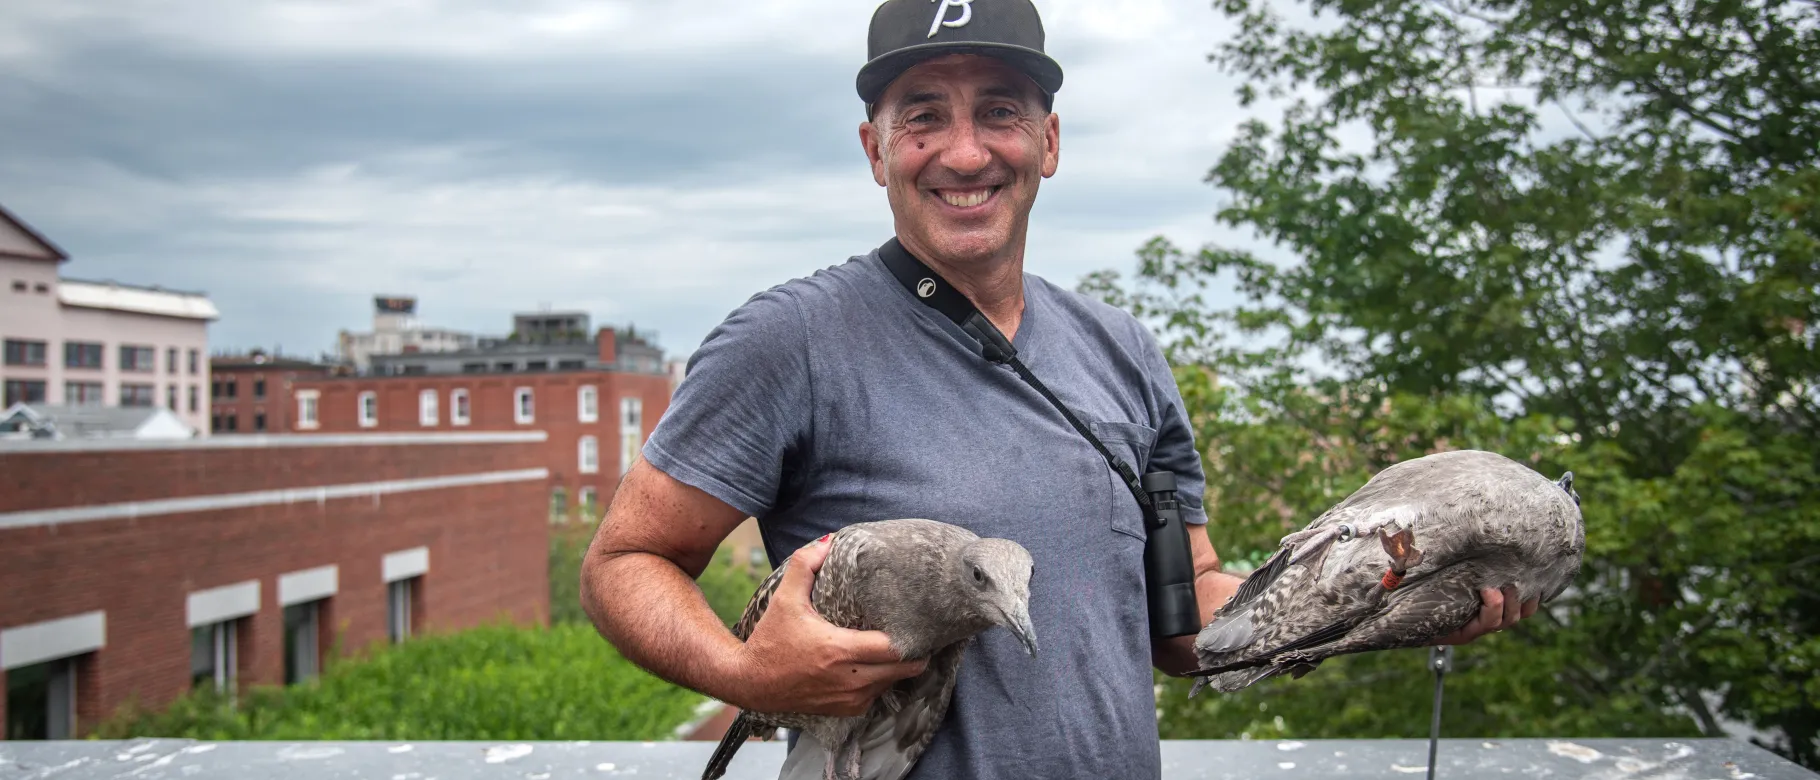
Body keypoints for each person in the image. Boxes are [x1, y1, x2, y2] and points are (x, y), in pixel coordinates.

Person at [578, 0, 1536, 776]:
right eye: (924, 115)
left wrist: (1394, 602)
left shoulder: (1122, 350)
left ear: (1049, 141)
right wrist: (750, 671)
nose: (964, 151)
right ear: (875, 151)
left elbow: (1188, 615)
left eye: (999, 109)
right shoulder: (788, 341)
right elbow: (624, 563)